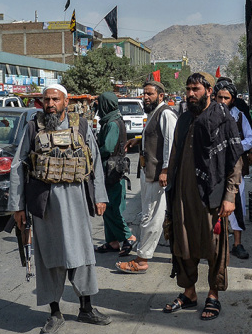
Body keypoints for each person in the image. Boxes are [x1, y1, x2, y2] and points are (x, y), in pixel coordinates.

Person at [9, 84, 110, 334]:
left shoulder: (81, 126)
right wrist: (18, 206)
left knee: (83, 254)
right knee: (50, 257)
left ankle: (86, 308)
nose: (50, 103)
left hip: (76, 199)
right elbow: (17, 167)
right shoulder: (32, 127)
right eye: (46, 99)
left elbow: (95, 161)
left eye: (55, 99)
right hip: (46, 203)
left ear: (66, 102)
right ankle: (54, 313)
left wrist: (100, 196)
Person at [162, 73, 244, 321]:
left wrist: (230, 195)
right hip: (183, 196)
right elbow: (175, 154)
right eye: (188, 89)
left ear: (209, 90)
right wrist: (170, 185)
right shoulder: (184, 118)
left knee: (214, 248)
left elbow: (235, 160)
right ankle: (189, 293)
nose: (190, 94)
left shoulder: (222, 117)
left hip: (212, 195)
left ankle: (213, 295)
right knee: (182, 245)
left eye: (195, 89)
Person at [116, 81, 178, 274]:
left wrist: (166, 170)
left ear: (161, 95)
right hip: (149, 172)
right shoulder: (154, 113)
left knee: (151, 217)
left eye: (149, 94)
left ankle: (142, 259)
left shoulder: (166, 113)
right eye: (144, 94)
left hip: (158, 175)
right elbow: (155, 137)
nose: (145, 97)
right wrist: (139, 140)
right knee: (149, 215)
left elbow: (170, 143)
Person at [213, 79, 252, 260]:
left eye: (226, 98)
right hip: (214, 170)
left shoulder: (239, 116)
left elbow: (250, 139)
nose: (222, 101)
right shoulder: (208, 116)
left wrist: (234, 147)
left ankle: (237, 244)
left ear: (232, 99)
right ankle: (215, 246)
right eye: (219, 97)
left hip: (235, 169)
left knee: (235, 205)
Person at [94, 92, 136, 256]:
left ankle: (128, 236)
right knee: (108, 206)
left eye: (99, 103)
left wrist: (94, 150)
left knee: (110, 207)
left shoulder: (112, 123)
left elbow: (108, 148)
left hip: (111, 170)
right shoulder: (113, 119)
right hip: (113, 168)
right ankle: (112, 242)